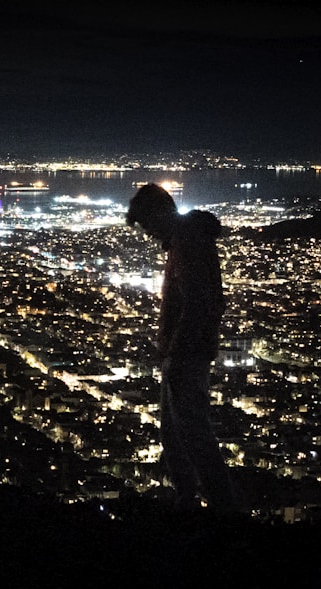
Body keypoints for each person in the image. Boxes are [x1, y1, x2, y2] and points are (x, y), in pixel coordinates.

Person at [127, 183, 239, 511]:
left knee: (192, 434)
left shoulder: (189, 243)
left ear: (160, 213)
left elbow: (198, 302)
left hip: (187, 353)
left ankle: (222, 509)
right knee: (175, 434)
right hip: (182, 351)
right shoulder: (182, 242)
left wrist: (177, 348)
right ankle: (189, 502)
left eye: (148, 225)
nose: (148, 234)